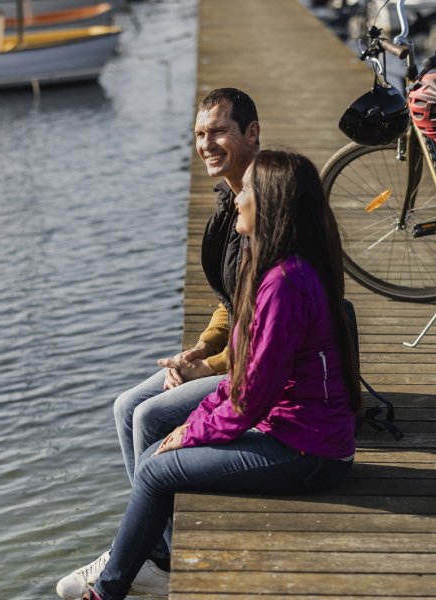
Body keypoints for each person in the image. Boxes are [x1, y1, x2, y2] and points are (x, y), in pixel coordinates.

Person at [63, 149, 361, 600]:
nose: (237, 198)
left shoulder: (284, 283)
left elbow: (252, 396)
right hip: (289, 433)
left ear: (271, 204)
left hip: (309, 452)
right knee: (153, 453)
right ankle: (143, 566)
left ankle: (107, 591)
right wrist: (193, 423)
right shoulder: (275, 270)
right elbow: (242, 379)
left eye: (247, 192)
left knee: (153, 472)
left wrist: (193, 432)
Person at [56, 89, 261, 598]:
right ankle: (158, 545)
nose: (206, 143)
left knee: (151, 417)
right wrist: (196, 351)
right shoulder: (230, 203)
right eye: (199, 133)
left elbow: (263, 327)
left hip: (257, 363)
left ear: (252, 133)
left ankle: (158, 553)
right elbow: (230, 304)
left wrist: (207, 366)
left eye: (218, 131)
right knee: (126, 405)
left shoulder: (266, 207)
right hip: (232, 347)